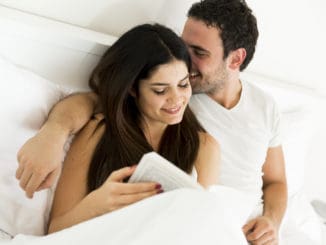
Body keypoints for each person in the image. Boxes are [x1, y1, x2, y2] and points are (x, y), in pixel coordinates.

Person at [17, 0, 287, 243]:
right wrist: (53, 133)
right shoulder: (111, 124)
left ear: (236, 58)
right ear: (134, 89)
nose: (187, 62)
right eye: (160, 90)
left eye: (199, 52)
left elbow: (274, 183)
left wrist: (272, 221)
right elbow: (91, 102)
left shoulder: (238, 121)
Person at [42, 23, 219, 233]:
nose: (177, 100)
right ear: (133, 89)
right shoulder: (98, 134)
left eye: (183, 85)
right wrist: (95, 206)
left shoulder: (204, 147)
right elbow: (55, 231)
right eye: (160, 90)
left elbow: (201, 230)